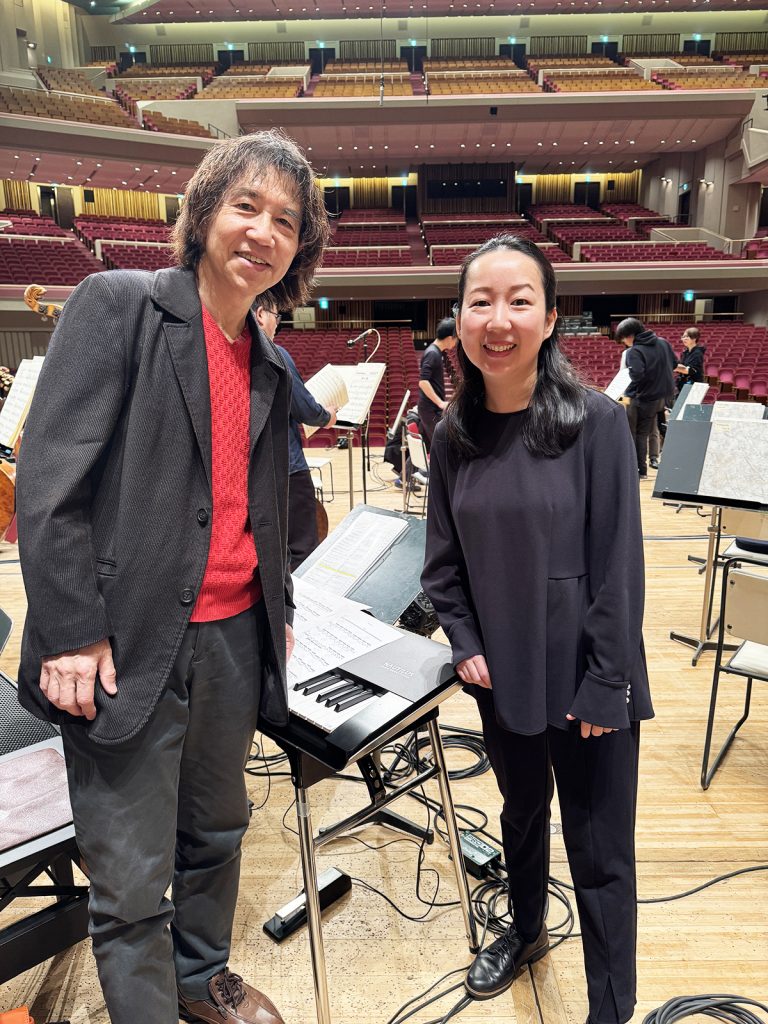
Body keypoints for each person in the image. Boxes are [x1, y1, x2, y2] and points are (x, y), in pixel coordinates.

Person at [15, 130, 330, 1024]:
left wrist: (278, 609)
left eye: (286, 221)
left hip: (233, 639)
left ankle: (200, 981)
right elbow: (47, 482)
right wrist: (74, 631)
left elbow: (271, 512)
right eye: (246, 206)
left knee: (219, 833)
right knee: (130, 879)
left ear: (299, 249)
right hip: (125, 642)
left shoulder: (268, 362)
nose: (263, 232)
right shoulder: (119, 305)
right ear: (203, 213)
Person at [421, 236, 653, 1024]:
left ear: (550, 318)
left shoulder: (597, 423)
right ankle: (524, 931)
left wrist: (606, 681)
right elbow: (441, 568)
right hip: (503, 674)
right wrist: (464, 644)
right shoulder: (452, 435)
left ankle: (610, 1007)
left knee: (599, 851)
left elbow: (619, 569)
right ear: (458, 319)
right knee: (521, 814)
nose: (499, 320)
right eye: (480, 302)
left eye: (519, 301)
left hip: (590, 679)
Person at [255, 300, 337, 570]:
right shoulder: (275, 354)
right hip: (287, 468)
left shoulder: (230, 354)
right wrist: (327, 416)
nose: (277, 324)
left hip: (251, 473)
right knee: (302, 549)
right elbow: (304, 408)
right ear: (260, 315)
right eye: (276, 316)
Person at [614, 316, 675, 478]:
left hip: (643, 398)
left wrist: (625, 395)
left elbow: (637, 375)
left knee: (636, 433)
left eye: (623, 339)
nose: (624, 343)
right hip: (663, 397)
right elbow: (675, 364)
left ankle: (639, 470)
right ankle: (645, 467)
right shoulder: (663, 343)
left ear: (630, 335)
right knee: (648, 431)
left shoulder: (635, 350)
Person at [617, 334, 662, 470]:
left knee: (653, 429)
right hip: (635, 396)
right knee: (634, 430)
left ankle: (653, 458)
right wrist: (624, 395)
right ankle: (635, 462)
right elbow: (623, 373)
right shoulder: (627, 353)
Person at [417, 316, 458, 451]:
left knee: (428, 446)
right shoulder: (432, 353)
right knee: (440, 446)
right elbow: (423, 382)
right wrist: (440, 403)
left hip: (430, 408)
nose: (456, 343)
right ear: (450, 338)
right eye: (456, 339)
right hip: (430, 409)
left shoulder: (434, 352)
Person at [675, 326, 706, 392]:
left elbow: (690, 370)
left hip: (694, 386)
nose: (684, 339)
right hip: (684, 384)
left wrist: (672, 367)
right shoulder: (685, 352)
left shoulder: (697, 353)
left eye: (687, 337)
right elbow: (683, 366)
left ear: (694, 339)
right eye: (683, 337)